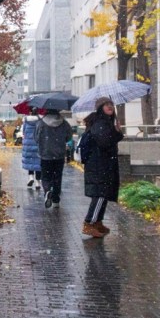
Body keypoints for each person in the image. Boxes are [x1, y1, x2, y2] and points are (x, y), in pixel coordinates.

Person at [82, 97, 124, 238]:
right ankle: (89, 223)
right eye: (106, 105)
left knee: (103, 194)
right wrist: (117, 133)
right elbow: (105, 143)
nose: (110, 106)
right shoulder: (100, 123)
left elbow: (108, 141)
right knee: (100, 194)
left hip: (103, 164)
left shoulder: (105, 123)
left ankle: (97, 222)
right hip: (99, 165)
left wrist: (117, 131)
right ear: (101, 108)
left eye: (111, 104)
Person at [34, 108, 73, 209]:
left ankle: (47, 191)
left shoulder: (41, 123)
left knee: (45, 176)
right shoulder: (64, 123)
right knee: (57, 177)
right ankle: (56, 200)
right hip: (59, 155)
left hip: (45, 154)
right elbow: (69, 137)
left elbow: (36, 138)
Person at [21, 108, 42, 190]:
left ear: (30, 112)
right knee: (38, 163)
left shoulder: (26, 120)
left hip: (28, 144)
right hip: (38, 144)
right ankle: (38, 183)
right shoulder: (40, 121)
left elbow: (23, 132)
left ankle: (31, 177)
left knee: (30, 161)